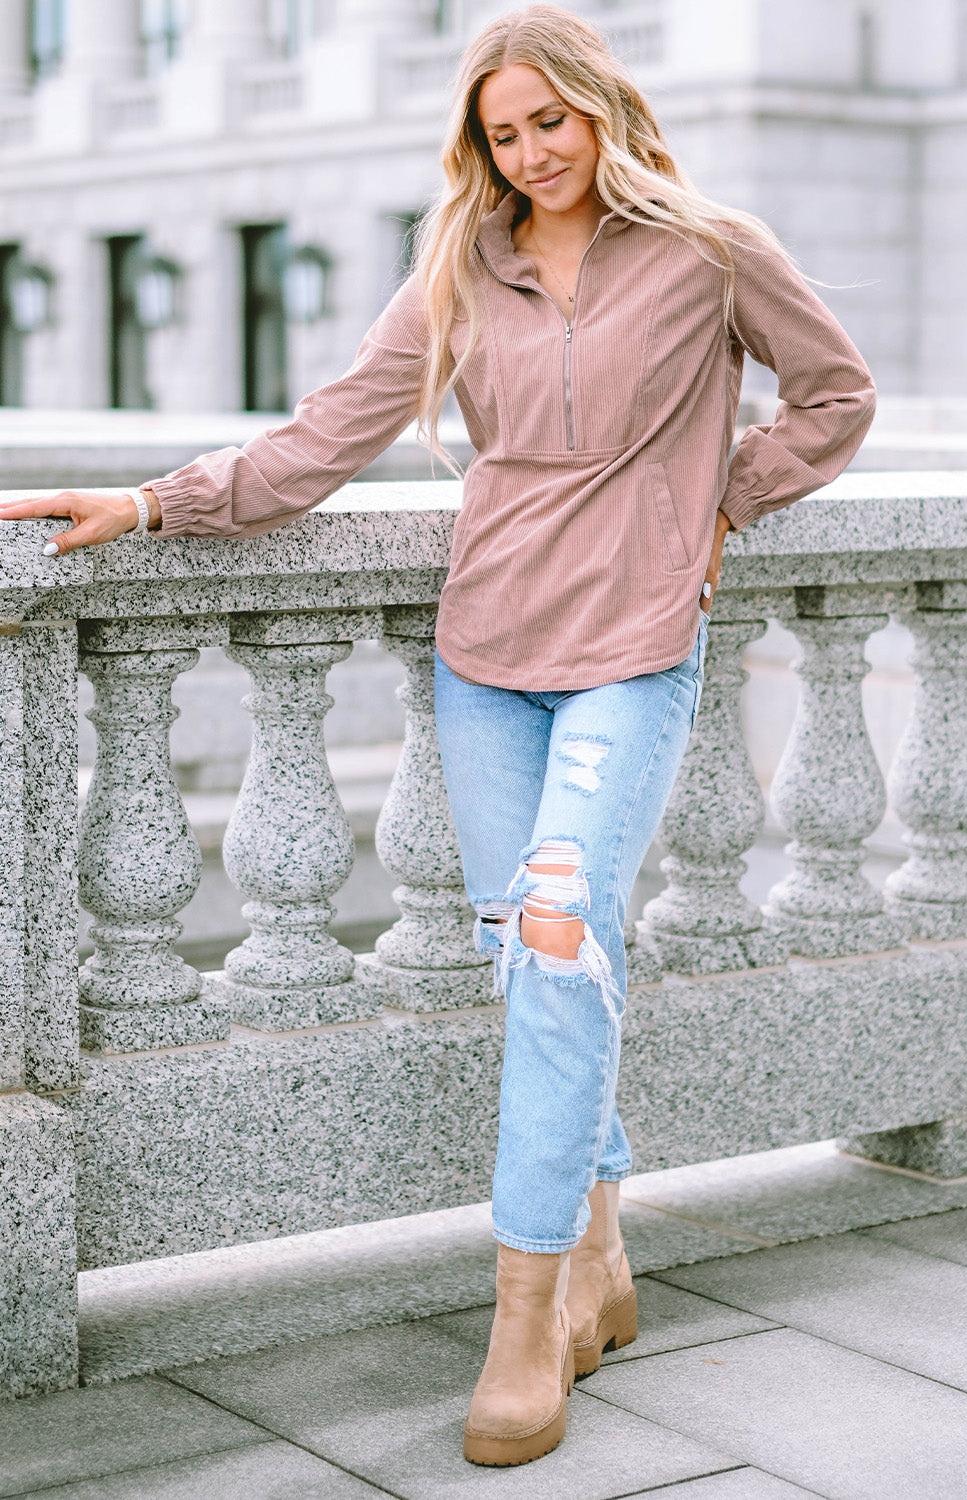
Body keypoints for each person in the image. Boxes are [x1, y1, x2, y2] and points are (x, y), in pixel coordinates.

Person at [0, 3, 876, 1468]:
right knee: (526, 955)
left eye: (550, 119)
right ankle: (597, 1252)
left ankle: (522, 1314)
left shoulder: (712, 248)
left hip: (633, 651)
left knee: (552, 937)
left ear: (603, 107)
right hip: (485, 656)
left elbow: (835, 394)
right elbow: (326, 434)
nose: (530, 151)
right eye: (502, 130)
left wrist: (725, 499)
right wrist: (153, 505)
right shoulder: (461, 271)